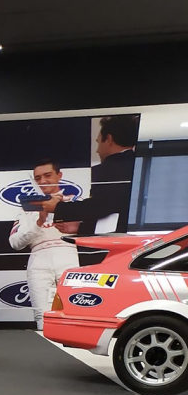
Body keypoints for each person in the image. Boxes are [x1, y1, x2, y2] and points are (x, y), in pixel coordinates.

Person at [10, 160, 80, 329]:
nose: (43, 181)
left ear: (59, 175)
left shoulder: (75, 202)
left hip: (68, 258)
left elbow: (98, 232)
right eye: (38, 178)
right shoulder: (27, 208)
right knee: (43, 316)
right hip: (38, 262)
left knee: (73, 312)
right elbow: (15, 243)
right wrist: (39, 222)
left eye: (47, 175)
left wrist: (76, 226)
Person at [46, 114, 139, 234]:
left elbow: (101, 205)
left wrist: (59, 207)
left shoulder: (111, 167)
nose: (97, 150)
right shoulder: (138, 164)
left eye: (98, 142)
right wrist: (81, 228)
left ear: (109, 139)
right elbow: (115, 210)